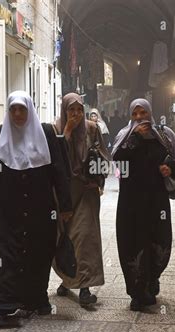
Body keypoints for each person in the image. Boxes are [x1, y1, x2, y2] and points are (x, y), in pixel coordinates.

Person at [0, 91, 72, 326]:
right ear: (8, 112)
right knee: (2, 257)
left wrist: (65, 205)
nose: (18, 114)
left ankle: (37, 299)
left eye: (22, 109)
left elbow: (59, 172)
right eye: (13, 109)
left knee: (38, 254)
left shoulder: (47, 134)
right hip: (8, 211)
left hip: (41, 210)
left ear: (29, 111)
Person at [112, 98, 175, 311]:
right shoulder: (125, 136)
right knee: (132, 241)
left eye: (143, 113)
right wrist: (134, 138)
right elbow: (117, 160)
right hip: (130, 201)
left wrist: (169, 168)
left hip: (156, 199)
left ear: (150, 113)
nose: (139, 118)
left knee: (158, 239)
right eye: (135, 114)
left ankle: (152, 279)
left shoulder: (164, 135)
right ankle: (136, 291)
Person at [53, 93, 111, 307]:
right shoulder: (55, 128)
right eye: (71, 110)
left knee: (85, 237)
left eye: (79, 110)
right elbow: (54, 159)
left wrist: (98, 180)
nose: (76, 114)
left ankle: (85, 287)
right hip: (64, 193)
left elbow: (104, 155)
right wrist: (67, 131)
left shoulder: (92, 128)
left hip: (86, 191)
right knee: (65, 236)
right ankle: (68, 280)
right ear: (65, 110)